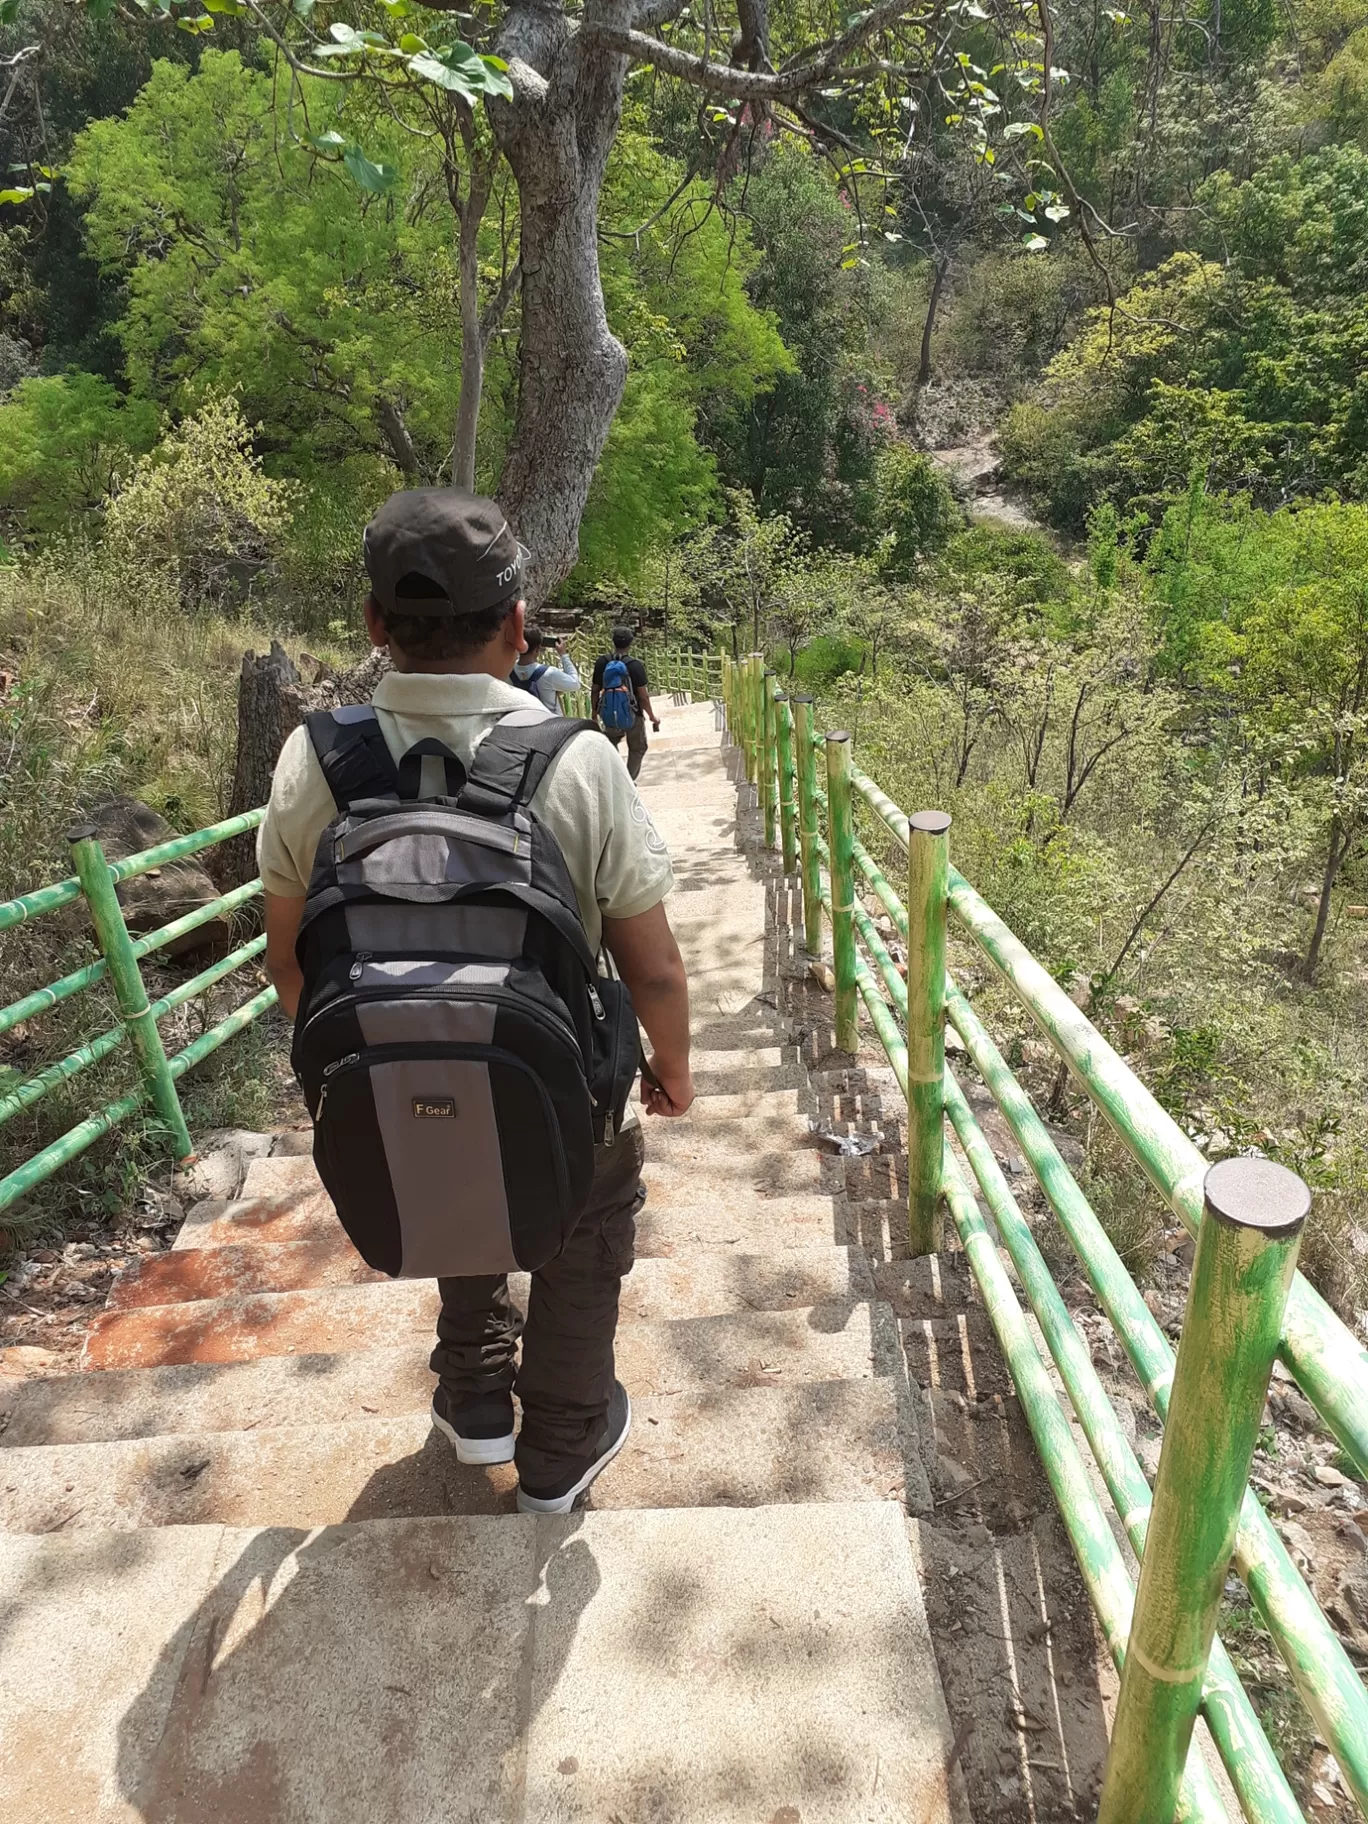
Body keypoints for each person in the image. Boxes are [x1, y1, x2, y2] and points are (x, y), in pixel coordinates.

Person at [258, 487, 696, 1515]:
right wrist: (672, 1067)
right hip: (567, 1089)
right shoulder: (577, 760)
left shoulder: (314, 759)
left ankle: (474, 1403)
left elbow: (291, 963)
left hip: (382, 1073)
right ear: (516, 624)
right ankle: (561, 1448)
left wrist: (379, 1048)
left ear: (375, 627)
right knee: (583, 1241)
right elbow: (655, 967)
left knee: (451, 1175)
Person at [592, 625, 658, 781]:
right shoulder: (635, 665)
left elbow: (595, 690)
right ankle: (628, 780)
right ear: (631, 643)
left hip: (609, 714)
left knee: (611, 744)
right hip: (633, 714)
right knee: (638, 747)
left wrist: (594, 713)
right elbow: (643, 697)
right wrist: (652, 716)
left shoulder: (602, 662)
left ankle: (616, 777)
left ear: (613, 642)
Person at [511, 624, 581, 712]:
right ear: (538, 649)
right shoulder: (549, 673)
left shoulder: (508, 672)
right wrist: (564, 655)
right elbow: (575, 684)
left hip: (521, 722)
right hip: (548, 723)